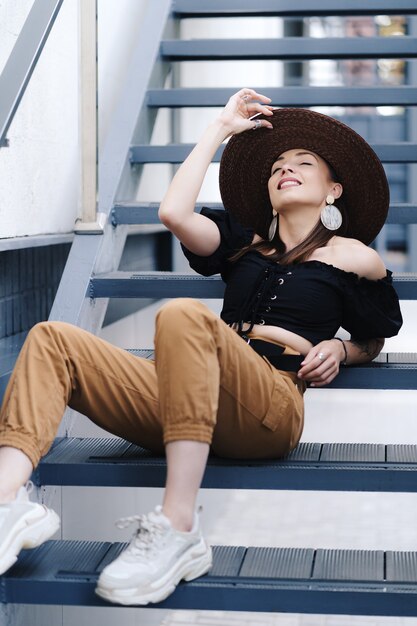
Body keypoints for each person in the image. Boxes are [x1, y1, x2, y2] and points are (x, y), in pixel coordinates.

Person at [0, 88, 402, 605]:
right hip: (191, 397)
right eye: (278, 165)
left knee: (182, 314)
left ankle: (178, 524)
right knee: (52, 338)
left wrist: (343, 352)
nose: (286, 169)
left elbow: (376, 332)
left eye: (304, 163)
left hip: (270, 407)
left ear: (334, 190)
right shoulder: (243, 243)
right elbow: (173, 213)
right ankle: (8, 498)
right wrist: (219, 128)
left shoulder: (352, 256)